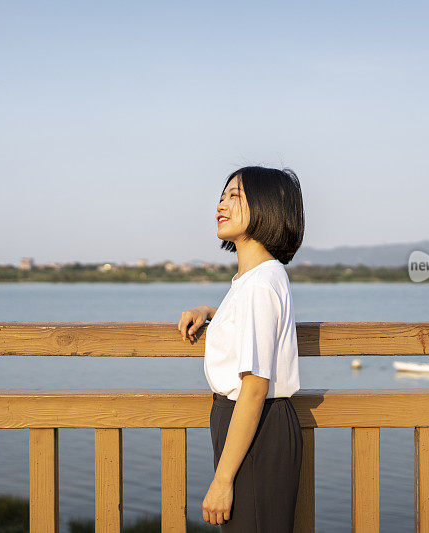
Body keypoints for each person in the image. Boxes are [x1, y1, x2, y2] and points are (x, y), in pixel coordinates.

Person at [177, 166, 305, 531]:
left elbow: (254, 387)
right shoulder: (256, 279)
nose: (222, 204)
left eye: (236, 196)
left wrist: (221, 480)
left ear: (267, 208)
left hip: (256, 425)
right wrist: (209, 312)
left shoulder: (260, 284)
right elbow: (247, 324)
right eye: (223, 196)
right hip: (250, 425)